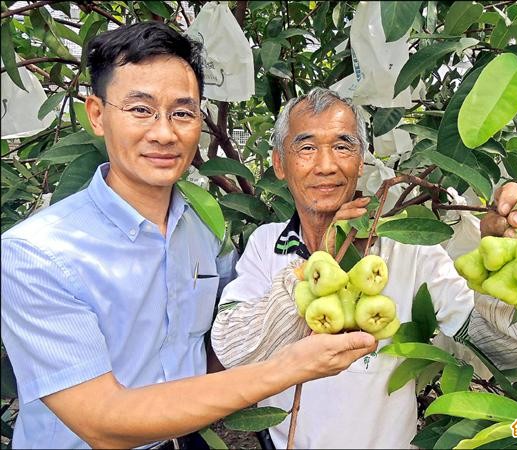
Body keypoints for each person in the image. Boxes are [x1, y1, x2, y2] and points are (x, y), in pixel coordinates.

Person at [0, 25, 378, 450]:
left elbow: (216, 348)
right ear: (97, 114)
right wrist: (287, 369)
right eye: (141, 109)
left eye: (182, 113)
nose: (164, 133)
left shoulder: (203, 232)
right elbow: (103, 422)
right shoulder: (36, 254)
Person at [211, 88, 517, 449]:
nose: (326, 164)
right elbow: (233, 351)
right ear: (280, 164)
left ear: (361, 162)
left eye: (343, 146)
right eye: (307, 147)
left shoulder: (408, 248)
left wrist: (511, 258)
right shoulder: (268, 243)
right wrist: (315, 266)